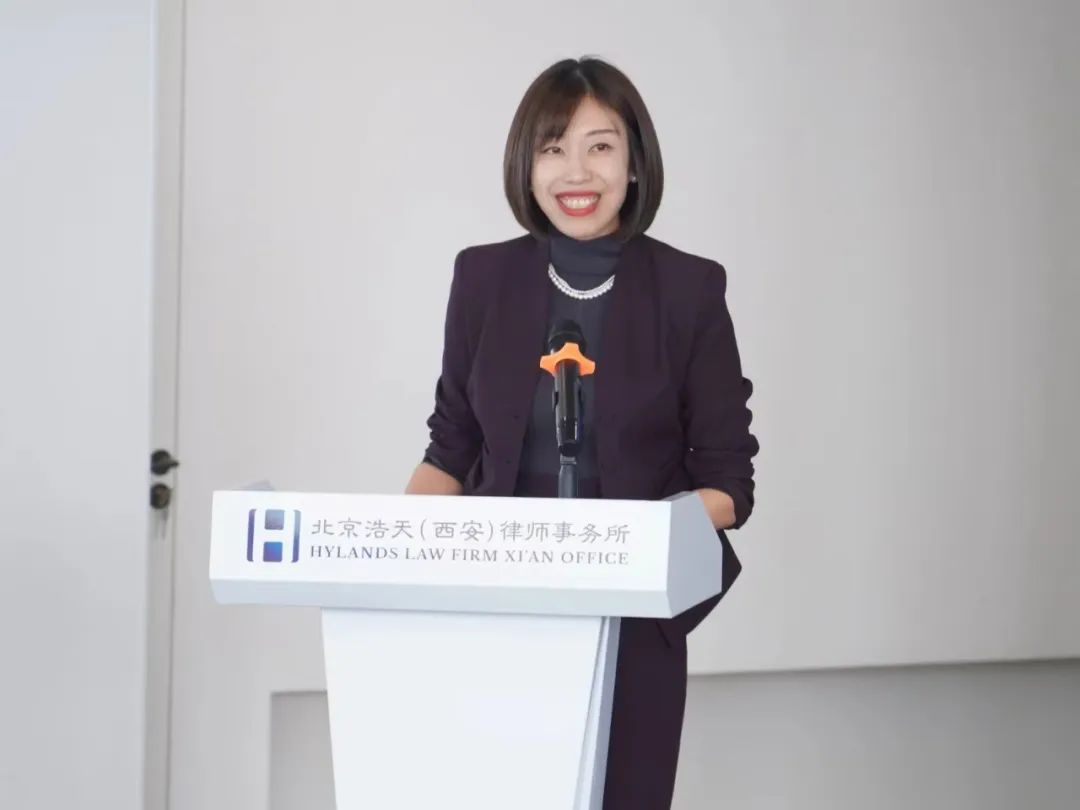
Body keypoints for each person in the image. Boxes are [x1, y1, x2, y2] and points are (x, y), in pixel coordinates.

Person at [405, 56, 759, 810]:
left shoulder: (690, 289)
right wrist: (398, 558)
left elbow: (729, 485)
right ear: (527, 166)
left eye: (600, 146)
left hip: (633, 618)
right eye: (553, 147)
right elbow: (451, 447)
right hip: (497, 607)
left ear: (634, 162)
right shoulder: (482, 278)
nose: (577, 171)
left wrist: (623, 545)